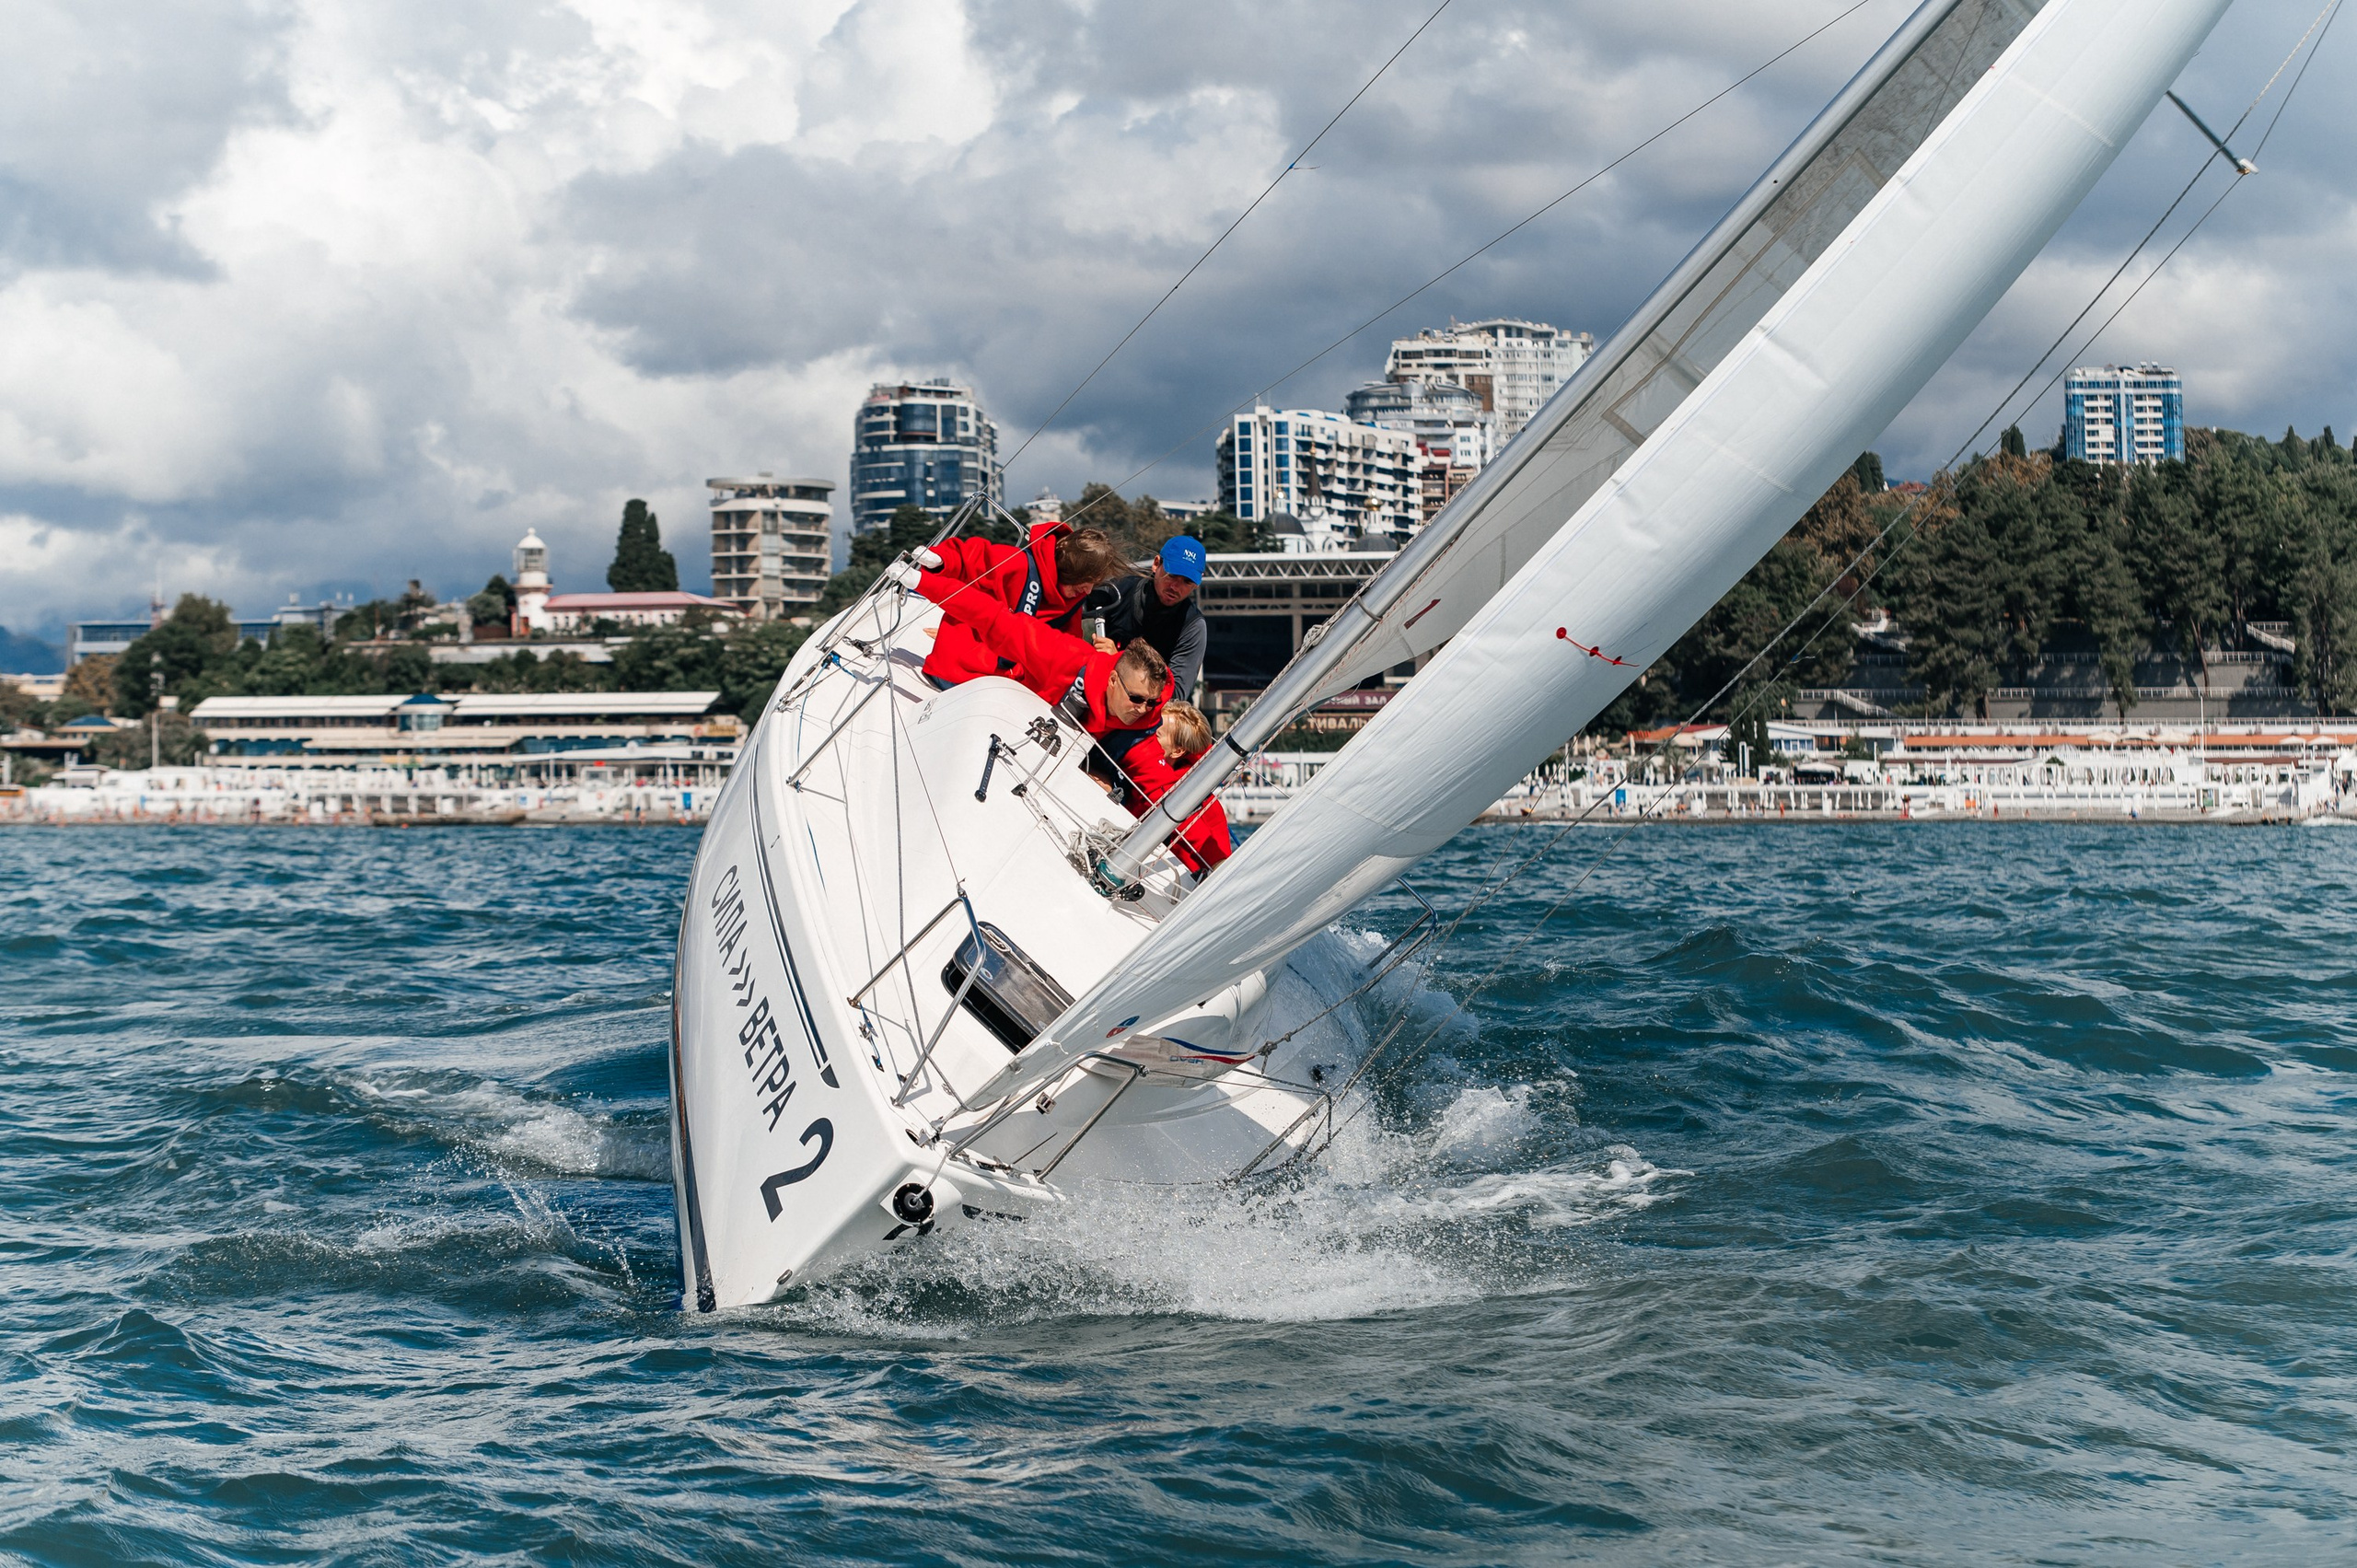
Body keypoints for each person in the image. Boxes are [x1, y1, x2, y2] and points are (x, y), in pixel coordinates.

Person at [913, 564, 1173, 741]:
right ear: (1113, 681)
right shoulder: (1062, 656)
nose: (1143, 709)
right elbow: (993, 617)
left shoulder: (1148, 717)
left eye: (1150, 702)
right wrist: (923, 581)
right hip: (995, 691)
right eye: (1138, 699)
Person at [918, 521, 1127, 688]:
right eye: (1086, 581)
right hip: (955, 673)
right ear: (1072, 570)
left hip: (1003, 685)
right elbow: (971, 558)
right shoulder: (1018, 564)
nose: (1089, 591)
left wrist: (1097, 664)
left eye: (1094, 584)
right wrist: (942, 560)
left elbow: (1066, 646)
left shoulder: (1071, 603)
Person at [1080, 535, 1208, 699]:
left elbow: (1176, 695)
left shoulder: (1193, 626)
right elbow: (1069, 606)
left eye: (1187, 581)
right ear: (1156, 564)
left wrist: (1119, 661)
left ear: (1197, 583)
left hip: (1150, 715)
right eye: (1172, 575)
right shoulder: (1119, 588)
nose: (1176, 587)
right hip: (1095, 691)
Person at [1117, 700, 1232, 875]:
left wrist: (1218, 866)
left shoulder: (1187, 791)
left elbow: (1190, 827)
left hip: (1175, 881)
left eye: (1156, 734)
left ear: (1177, 751)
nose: (1147, 734)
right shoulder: (1152, 768)